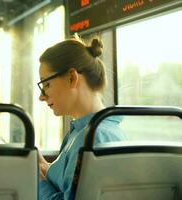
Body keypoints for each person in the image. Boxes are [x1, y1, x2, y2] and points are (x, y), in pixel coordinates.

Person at [37, 36, 126, 200]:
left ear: (72, 77)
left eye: (46, 84)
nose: (41, 97)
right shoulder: (80, 132)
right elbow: (67, 183)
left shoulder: (94, 138)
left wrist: (37, 180)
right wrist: (42, 166)